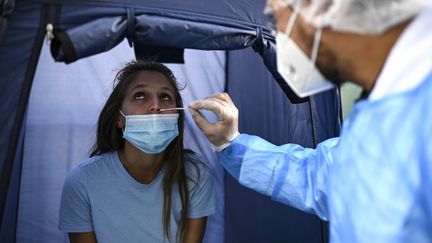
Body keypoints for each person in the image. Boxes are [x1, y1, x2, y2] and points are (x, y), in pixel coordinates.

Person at [188, 0, 432, 242]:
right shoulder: (382, 108)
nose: (279, 38)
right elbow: (320, 178)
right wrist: (231, 143)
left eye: (276, 18)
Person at [59, 61, 216, 243]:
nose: (156, 106)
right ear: (119, 118)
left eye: (165, 97)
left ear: (177, 115)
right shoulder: (81, 181)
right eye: (140, 96)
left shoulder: (196, 175)